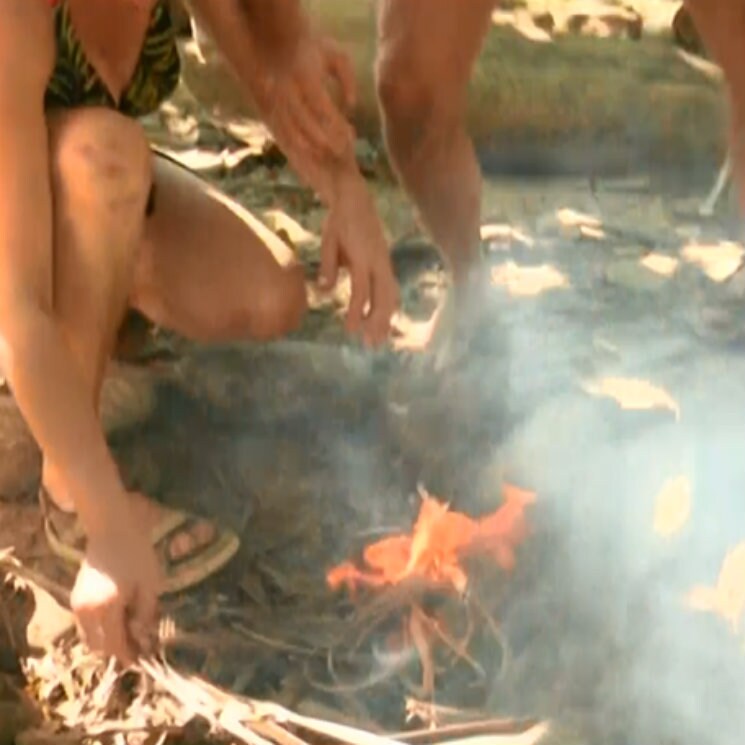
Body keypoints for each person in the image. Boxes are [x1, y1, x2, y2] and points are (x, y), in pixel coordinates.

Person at [0, 0, 398, 663]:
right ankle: (68, 493)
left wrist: (348, 197)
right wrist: (107, 527)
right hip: (16, 223)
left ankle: (91, 359)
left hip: (79, 185)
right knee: (105, 154)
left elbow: (269, 70)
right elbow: (18, 311)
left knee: (268, 295)